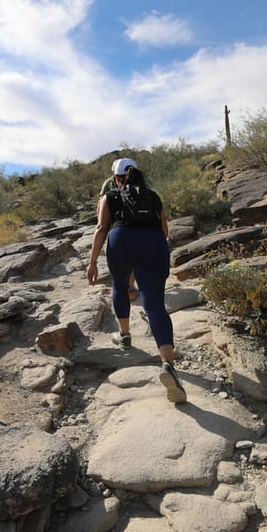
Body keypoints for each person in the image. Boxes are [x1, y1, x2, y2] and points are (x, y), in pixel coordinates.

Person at [87, 158, 187, 405]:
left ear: (117, 177)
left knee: (120, 286)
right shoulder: (153, 196)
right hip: (154, 243)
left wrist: (91, 262)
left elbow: (101, 227)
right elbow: (165, 231)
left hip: (121, 239)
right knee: (154, 305)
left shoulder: (109, 195)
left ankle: (125, 335)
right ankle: (167, 364)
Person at [97, 160, 139, 301]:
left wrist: (100, 222)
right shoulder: (137, 182)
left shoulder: (108, 183)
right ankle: (128, 286)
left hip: (116, 223)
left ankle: (126, 286)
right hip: (128, 222)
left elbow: (101, 202)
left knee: (119, 257)